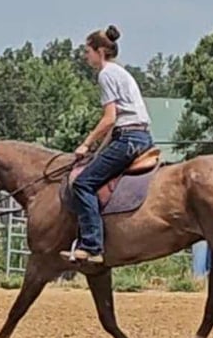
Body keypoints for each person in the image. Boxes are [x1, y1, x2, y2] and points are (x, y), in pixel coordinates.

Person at [60, 25, 154, 264]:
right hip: (139, 136)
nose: (85, 56)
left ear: (100, 51)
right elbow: (116, 122)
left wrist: (85, 144)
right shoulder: (120, 72)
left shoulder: (105, 74)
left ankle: (92, 246)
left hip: (129, 138)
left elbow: (109, 118)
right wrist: (97, 151)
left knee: (82, 184)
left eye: (87, 51)